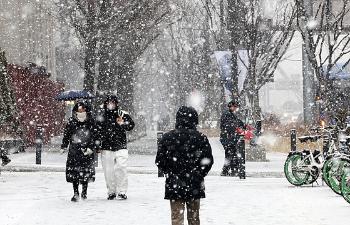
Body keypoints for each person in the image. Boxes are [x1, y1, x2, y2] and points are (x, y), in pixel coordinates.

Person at [155, 106, 214, 225]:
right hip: (194, 183)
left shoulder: (167, 137)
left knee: (177, 218)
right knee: (194, 219)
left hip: (174, 183)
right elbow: (208, 160)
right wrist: (199, 174)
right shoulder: (200, 138)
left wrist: (170, 172)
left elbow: (160, 160)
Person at [97, 95, 135, 200]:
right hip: (106, 147)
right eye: (109, 102)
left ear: (116, 104)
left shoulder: (122, 114)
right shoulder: (101, 115)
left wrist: (123, 123)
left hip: (120, 146)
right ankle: (111, 191)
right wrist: (97, 144)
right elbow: (97, 130)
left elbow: (131, 125)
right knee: (108, 171)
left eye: (113, 102)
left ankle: (122, 191)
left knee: (121, 168)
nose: (110, 105)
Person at [61, 101, 98, 202]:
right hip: (74, 151)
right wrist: (64, 146)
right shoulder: (71, 121)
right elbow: (67, 134)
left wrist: (91, 147)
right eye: (79, 109)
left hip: (87, 151)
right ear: (76, 110)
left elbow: (95, 136)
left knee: (86, 172)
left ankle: (84, 192)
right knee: (74, 173)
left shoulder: (91, 121)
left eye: (82, 109)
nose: (81, 111)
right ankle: (76, 193)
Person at [220, 100, 245, 176]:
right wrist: (237, 127)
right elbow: (229, 125)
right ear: (231, 106)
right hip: (227, 138)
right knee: (230, 154)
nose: (235, 108)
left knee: (231, 154)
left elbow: (237, 122)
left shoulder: (231, 114)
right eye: (235, 107)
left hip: (230, 138)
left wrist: (243, 125)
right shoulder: (227, 114)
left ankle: (231, 170)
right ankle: (229, 170)